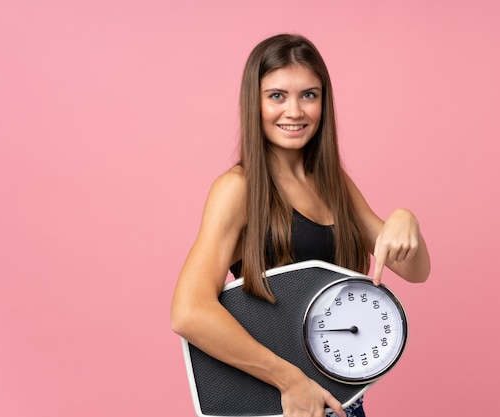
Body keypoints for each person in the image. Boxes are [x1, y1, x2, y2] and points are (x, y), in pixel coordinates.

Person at [171, 33, 431, 417]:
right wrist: (289, 381)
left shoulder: (333, 184)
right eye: (277, 96)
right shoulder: (238, 189)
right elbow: (188, 311)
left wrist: (405, 219)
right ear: (254, 103)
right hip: (284, 405)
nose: (294, 111)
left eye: (308, 95)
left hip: (343, 401)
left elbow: (415, 270)